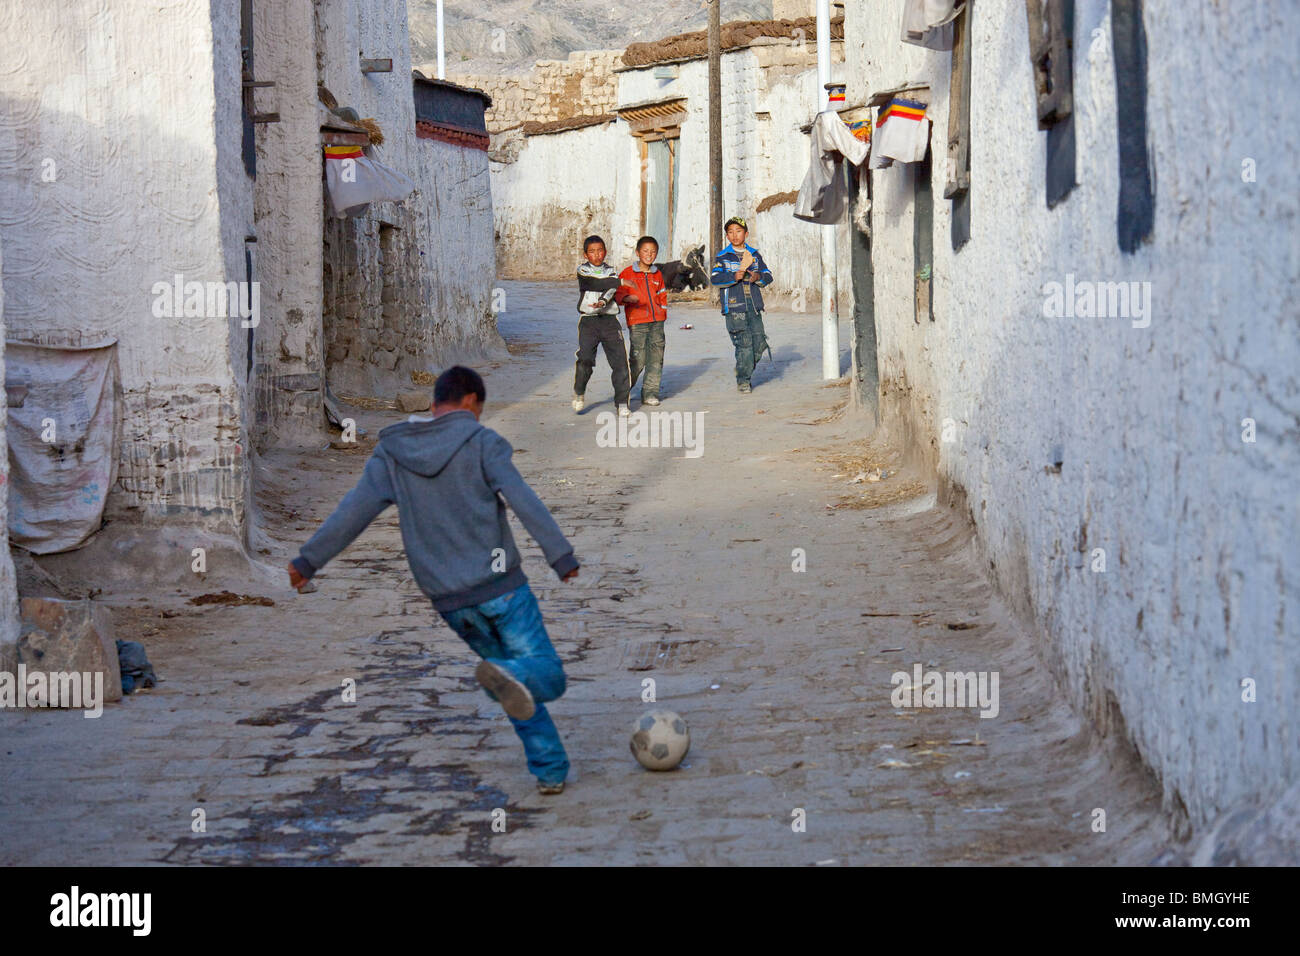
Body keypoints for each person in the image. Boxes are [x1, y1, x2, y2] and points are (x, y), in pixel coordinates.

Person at [286, 366, 580, 795]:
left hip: (450, 601)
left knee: (514, 684)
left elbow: (355, 511)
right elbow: (523, 499)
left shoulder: (392, 453)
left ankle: (550, 770)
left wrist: (307, 562)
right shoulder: (483, 443)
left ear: (433, 403)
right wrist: (561, 556)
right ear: (470, 403)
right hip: (503, 588)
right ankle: (512, 690)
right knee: (546, 675)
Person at [710, 217, 774, 393]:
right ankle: (743, 380)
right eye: (730, 232)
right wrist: (733, 277)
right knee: (744, 344)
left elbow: (768, 275)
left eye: (738, 231)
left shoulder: (754, 255)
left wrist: (757, 277)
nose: (734, 235)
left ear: (746, 234)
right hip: (734, 307)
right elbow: (715, 279)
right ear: (727, 236)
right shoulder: (723, 257)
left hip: (753, 306)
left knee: (759, 344)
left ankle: (743, 368)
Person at [573, 235, 631, 415]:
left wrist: (603, 302)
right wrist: (619, 281)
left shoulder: (611, 271)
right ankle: (579, 392)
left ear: (605, 252)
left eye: (600, 251)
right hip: (588, 322)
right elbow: (592, 283)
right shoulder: (582, 270)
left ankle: (622, 403)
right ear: (585, 254)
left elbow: (609, 290)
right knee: (585, 359)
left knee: (620, 362)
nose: (597, 255)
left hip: (609, 322)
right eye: (592, 252)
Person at [615, 236, 669, 407]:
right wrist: (626, 298)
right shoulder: (627, 273)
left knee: (656, 357)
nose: (649, 255)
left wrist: (662, 311)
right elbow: (617, 294)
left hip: (657, 322)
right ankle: (623, 392)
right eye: (645, 251)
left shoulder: (657, 274)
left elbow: (662, 294)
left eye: (653, 252)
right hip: (637, 322)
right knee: (638, 358)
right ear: (638, 252)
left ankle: (650, 393)